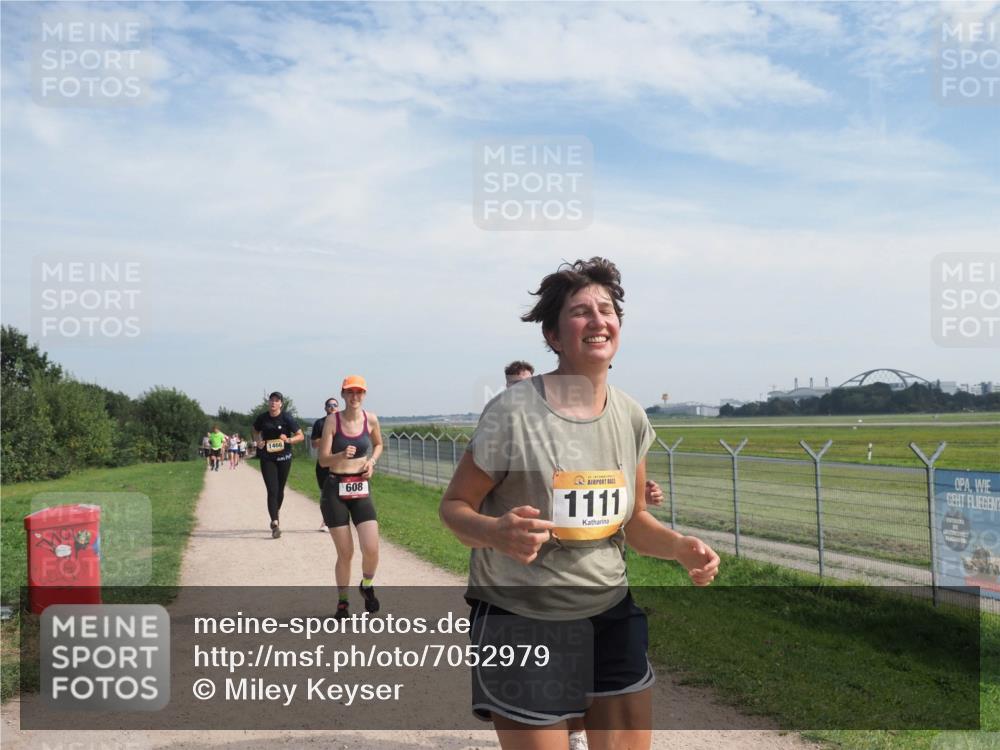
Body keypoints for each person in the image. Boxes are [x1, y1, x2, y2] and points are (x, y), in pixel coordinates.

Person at [441, 258, 720, 750]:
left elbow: (633, 520)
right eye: (580, 312)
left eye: (607, 309)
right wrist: (495, 532)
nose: (598, 320)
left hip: (610, 610)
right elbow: (455, 507)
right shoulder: (513, 411)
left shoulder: (631, 415)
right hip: (521, 616)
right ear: (552, 336)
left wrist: (679, 547)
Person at [318, 375, 383, 618]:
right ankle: (343, 602)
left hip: (360, 487)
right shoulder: (332, 421)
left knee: (372, 548)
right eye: (350, 392)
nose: (355, 397)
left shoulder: (371, 420)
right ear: (343, 394)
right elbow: (323, 459)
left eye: (359, 392)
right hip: (335, 488)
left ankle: (366, 585)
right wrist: (341, 454)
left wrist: (372, 462)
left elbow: (378, 445)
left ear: (364, 395)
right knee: (346, 553)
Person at [252, 392, 304, 538]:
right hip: (267, 458)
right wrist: (258, 441)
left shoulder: (287, 417)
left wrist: (288, 440)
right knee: (272, 490)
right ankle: (274, 523)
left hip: (284, 458)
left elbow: (300, 435)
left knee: (280, 490)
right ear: (268, 403)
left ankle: (275, 511)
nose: (273, 403)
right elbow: (255, 430)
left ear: (281, 403)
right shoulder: (262, 418)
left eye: (277, 400)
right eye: (271, 400)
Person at [312, 397, 340, 532]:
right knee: (325, 494)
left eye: (335, 405)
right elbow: (314, 443)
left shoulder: (343, 422)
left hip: (340, 463)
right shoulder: (319, 423)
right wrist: (327, 437)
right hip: (324, 463)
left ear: (338, 407)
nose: (332, 407)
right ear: (325, 408)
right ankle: (325, 521)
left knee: (339, 493)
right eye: (329, 405)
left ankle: (339, 521)